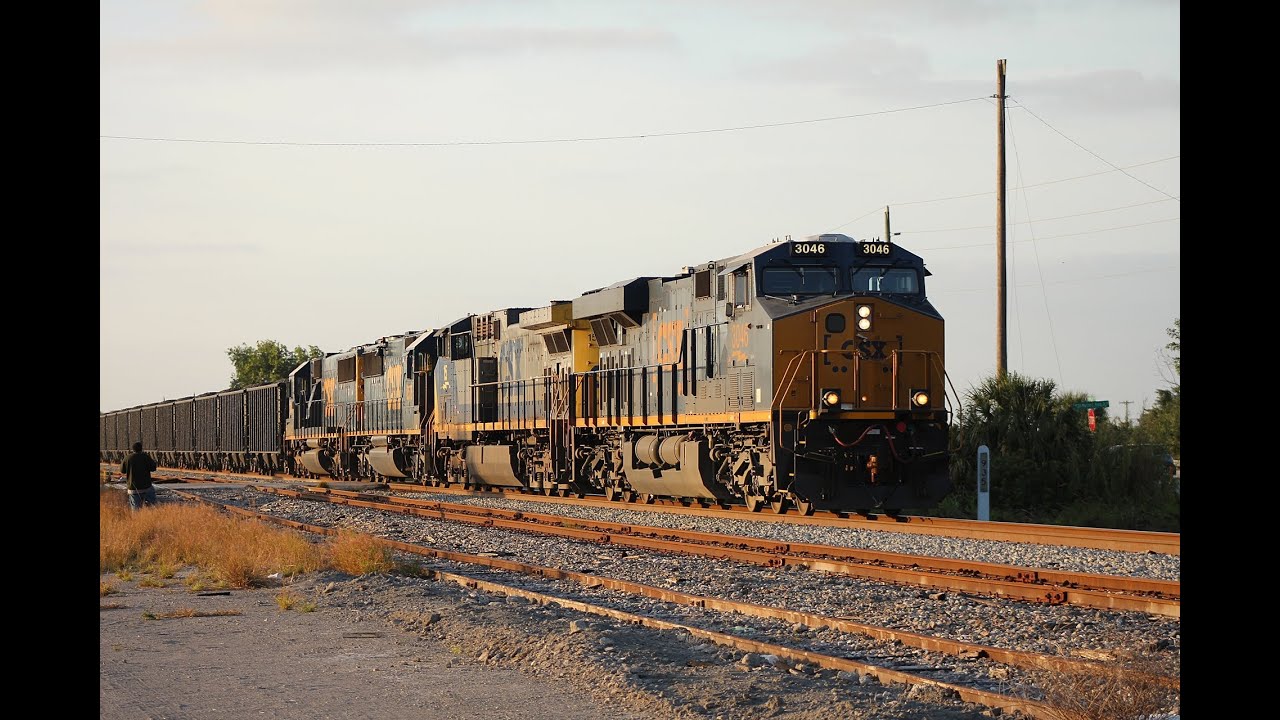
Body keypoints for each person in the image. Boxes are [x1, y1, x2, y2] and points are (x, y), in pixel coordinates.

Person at [120, 442, 158, 509]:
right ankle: (152, 515)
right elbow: (153, 468)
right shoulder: (145, 457)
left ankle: (137, 518)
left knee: (135, 509)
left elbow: (122, 471)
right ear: (141, 449)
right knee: (152, 505)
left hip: (133, 488)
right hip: (146, 487)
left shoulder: (127, 458)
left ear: (133, 449)